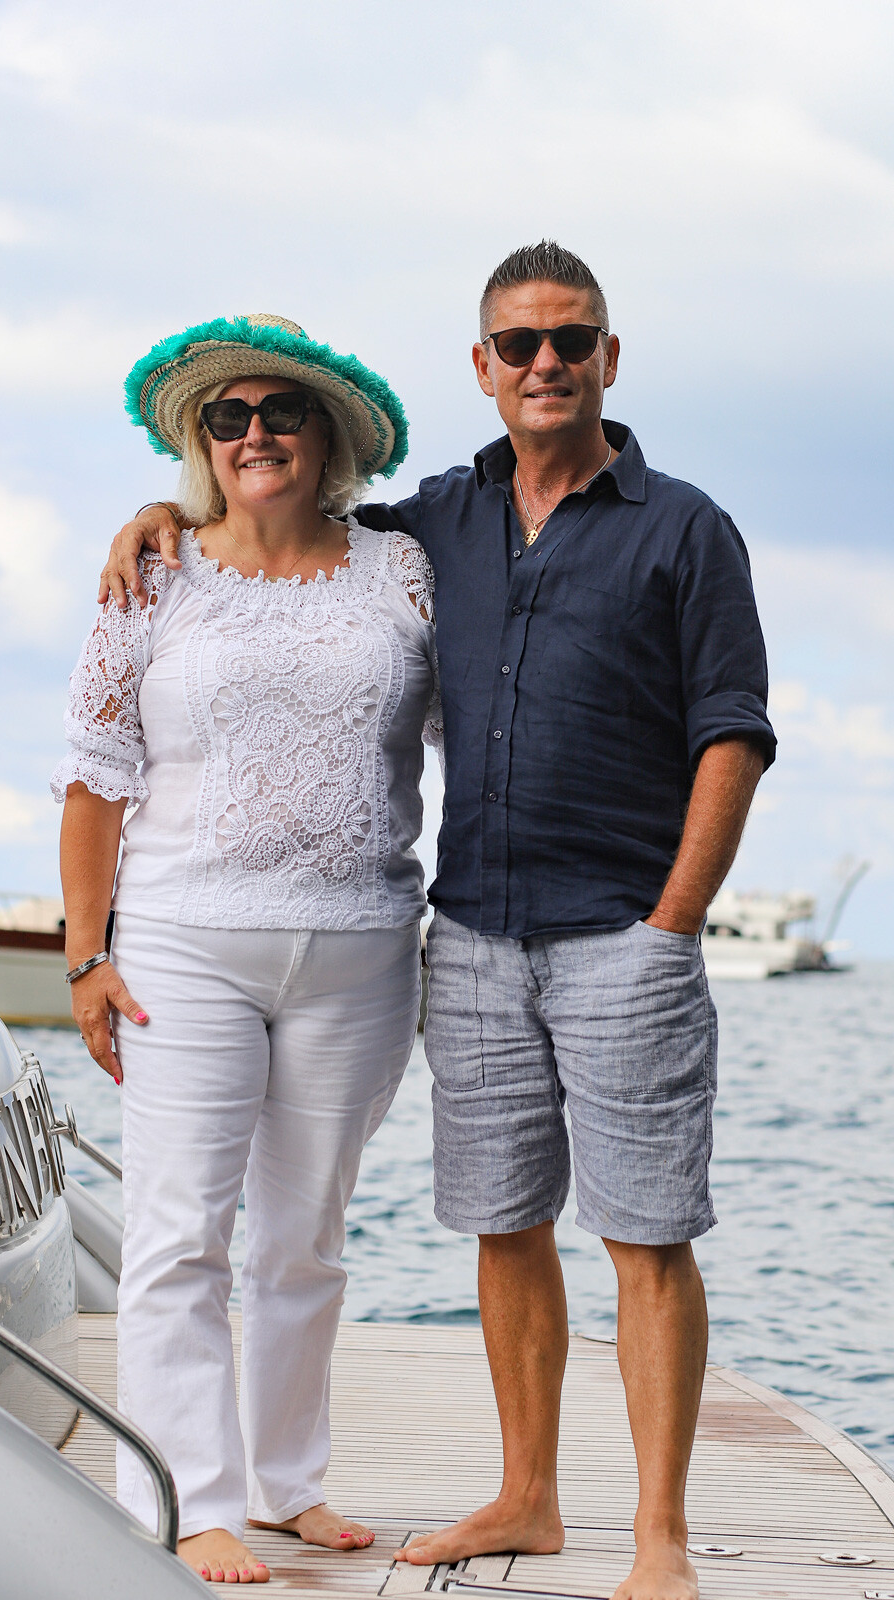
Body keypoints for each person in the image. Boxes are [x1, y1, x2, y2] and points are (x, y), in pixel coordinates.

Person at [98, 243, 776, 1600]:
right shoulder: (431, 529)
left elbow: (733, 733)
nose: (545, 363)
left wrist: (673, 922)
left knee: (647, 1237)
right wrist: (159, 513)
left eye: (570, 341)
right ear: (482, 365)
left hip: (623, 932)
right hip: (467, 935)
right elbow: (280, 518)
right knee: (504, 1225)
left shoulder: (684, 527)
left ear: (608, 358)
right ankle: (528, 1496)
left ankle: (659, 1539)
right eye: (519, 344)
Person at [54, 313, 441, 1584]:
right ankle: (187, 1498)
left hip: (361, 951)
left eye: (282, 410)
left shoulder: (402, 570)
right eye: (229, 415)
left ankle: (284, 1482)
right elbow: (94, 780)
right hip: (184, 947)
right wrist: (85, 957)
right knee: (177, 1235)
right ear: (200, 439)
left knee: (302, 1238)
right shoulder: (150, 575)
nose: (255, 433)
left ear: (327, 435)